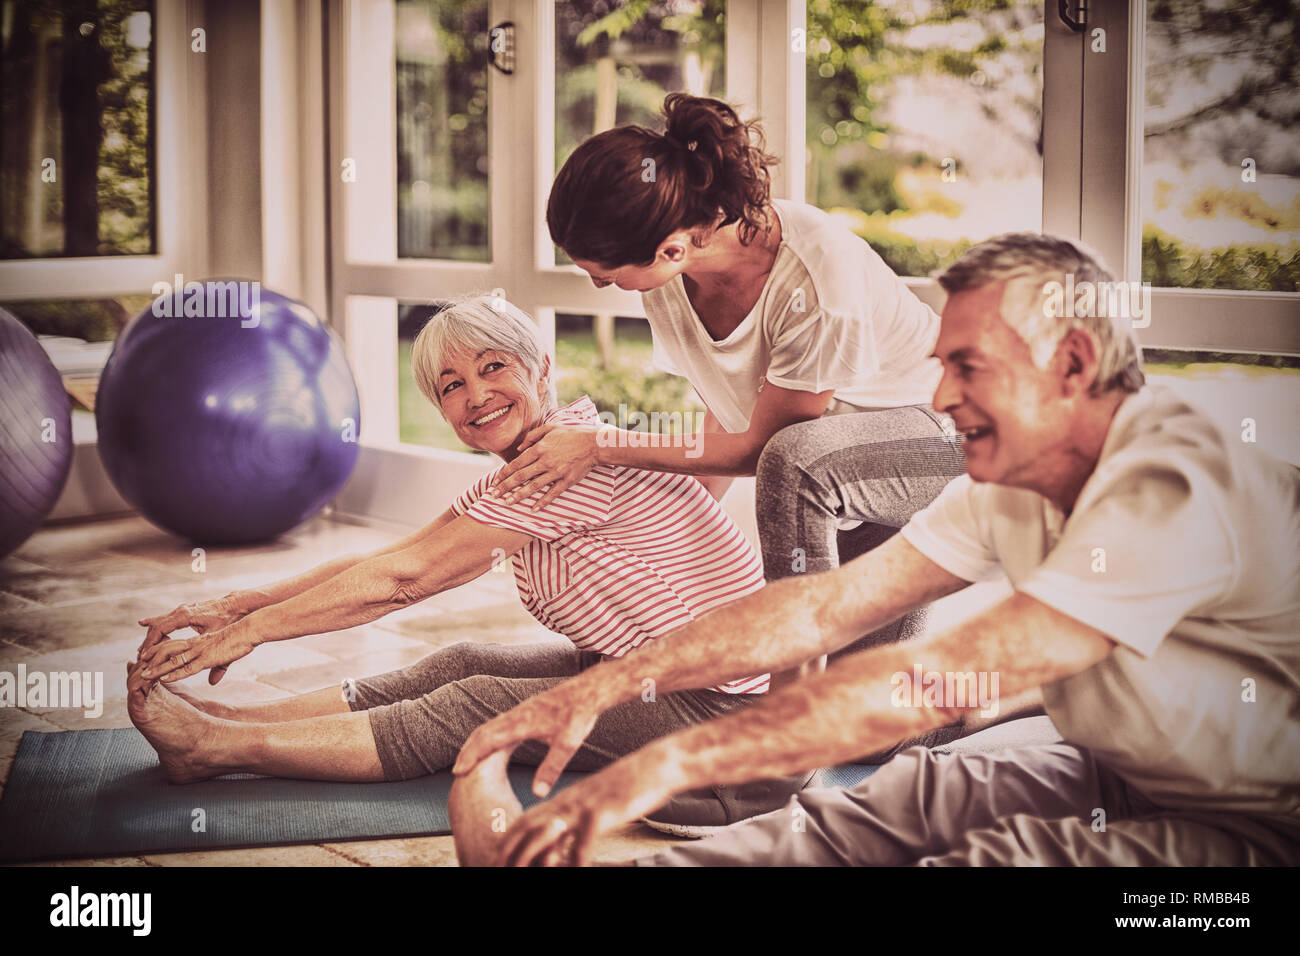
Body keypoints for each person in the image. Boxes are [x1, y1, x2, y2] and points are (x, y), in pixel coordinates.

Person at [450, 233, 1300, 867]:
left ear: (1071, 363)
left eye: (967, 367)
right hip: (1120, 772)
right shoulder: (1011, 481)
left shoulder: (1173, 483)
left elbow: (927, 681)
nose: (939, 397)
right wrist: (599, 688)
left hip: (1264, 837)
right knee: (904, 796)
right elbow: (823, 607)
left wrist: (671, 759)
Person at [125, 294, 772, 784]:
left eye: (494, 367)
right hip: (650, 674)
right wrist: (237, 606)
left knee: (476, 703)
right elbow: (392, 556)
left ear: (542, 370)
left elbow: (406, 581)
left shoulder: (564, 467)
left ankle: (214, 750)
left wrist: (252, 633)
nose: (477, 395)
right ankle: (227, 723)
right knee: (461, 662)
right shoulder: (538, 458)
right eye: (452, 385)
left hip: (718, 710)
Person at [490, 93, 967, 684]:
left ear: (669, 247)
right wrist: (661, 544)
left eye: (604, 274)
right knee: (879, 704)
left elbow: (766, 449)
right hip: (837, 471)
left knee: (795, 461)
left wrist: (597, 444)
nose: (598, 285)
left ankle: (782, 724)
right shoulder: (670, 279)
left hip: (945, 436)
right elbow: (725, 422)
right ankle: (1023, 699)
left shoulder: (815, 280)